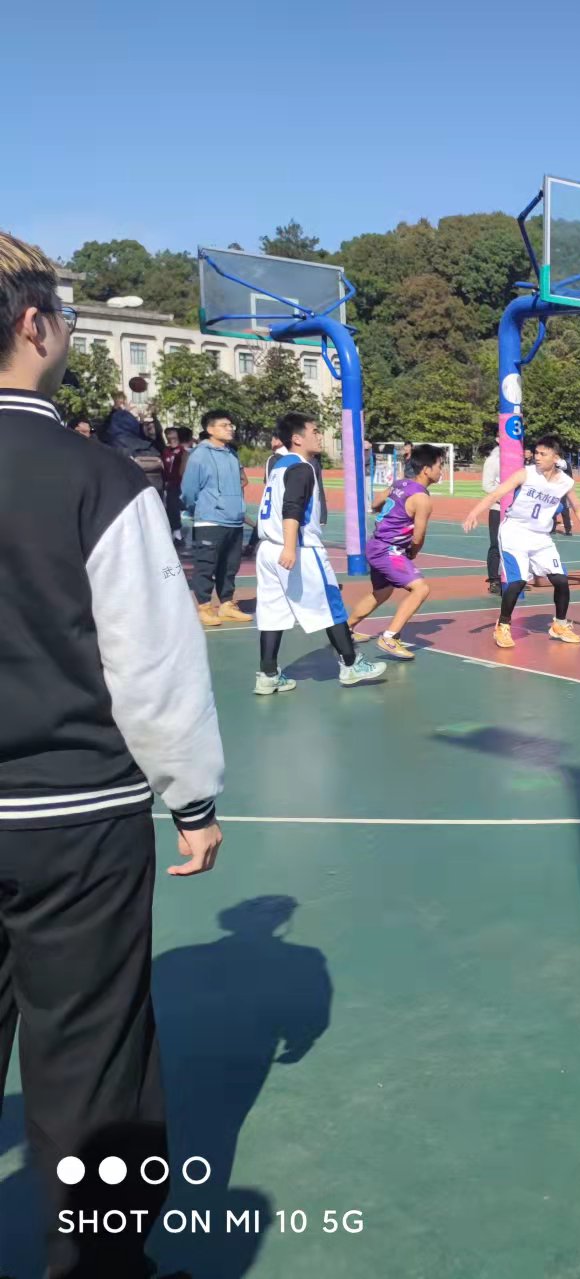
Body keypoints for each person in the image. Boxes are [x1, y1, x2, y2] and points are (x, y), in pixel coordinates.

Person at [0, 227, 224, 1278]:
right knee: (93, 1065)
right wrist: (193, 799)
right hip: (72, 820)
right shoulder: (98, 480)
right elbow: (153, 665)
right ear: (35, 324)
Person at [252, 412, 385, 693]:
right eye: (315, 431)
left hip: (267, 550)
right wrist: (290, 547)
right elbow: (292, 508)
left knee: (272, 612)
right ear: (297, 438)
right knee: (331, 605)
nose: (320, 436)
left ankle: (268, 674)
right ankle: (351, 664)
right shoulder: (301, 467)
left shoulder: (277, 466)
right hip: (298, 548)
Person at [460, 434, 580, 648]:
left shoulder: (565, 482)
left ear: (556, 458)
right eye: (536, 452)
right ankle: (503, 625)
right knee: (518, 581)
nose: (537, 457)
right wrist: (473, 513)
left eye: (543, 454)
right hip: (514, 532)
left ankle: (560, 625)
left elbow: (578, 508)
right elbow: (496, 494)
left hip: (540, 537)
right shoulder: (525, 473)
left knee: (561, 580)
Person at [348, 444, 446, 659]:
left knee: (382, 592)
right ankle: (389, 638)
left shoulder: (400, 483)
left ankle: (345, 630)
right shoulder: (422, 499)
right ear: (426, 470)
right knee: (421, 589)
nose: (442, 470)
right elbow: (418, 537)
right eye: (440, 466)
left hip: (375, 544)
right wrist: (413, 552)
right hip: (388, 550)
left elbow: (376, 503)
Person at [179, 409, 250, 627]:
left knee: (230, 566)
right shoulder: (199, 455)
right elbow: (189, 490)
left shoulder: (232, 454)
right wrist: (200, 508)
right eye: (224, 425)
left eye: (231, 425)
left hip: (234, 520)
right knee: (206, 566)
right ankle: (204, 607)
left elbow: (240, 482)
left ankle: (227, 604)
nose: (230, 429)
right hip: (209, 519)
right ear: (210, 429)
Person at [482, 438, 505, 594]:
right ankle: (494, 580)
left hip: (516, 510)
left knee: (514, 544)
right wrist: (503, 496)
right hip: (498, 508)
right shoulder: (493, 460)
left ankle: (512, 577)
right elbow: (487, 485)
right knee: (496, 544)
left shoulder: (517, 459)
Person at [161, 425, 189, 542]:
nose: (170, 436)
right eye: (168, 434)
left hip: (180, 483)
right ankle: (175, 532)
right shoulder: (165, 451)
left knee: (175, 506)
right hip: (169, 483)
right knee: (170, 507)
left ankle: (178, 533)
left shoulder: (182, 451)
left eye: (173, 434)